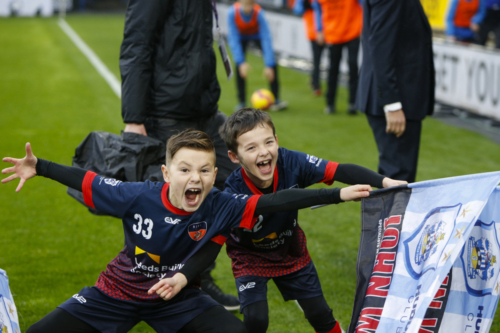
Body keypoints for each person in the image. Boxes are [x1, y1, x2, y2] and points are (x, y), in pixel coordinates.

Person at [2, 130, 372, 333]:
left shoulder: (222, 203)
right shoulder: (138, 197)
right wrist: (41, 167)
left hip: (176, 300)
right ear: (166, 174)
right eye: (185, 169)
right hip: (117, 291)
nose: (195, 178)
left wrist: (338, 194)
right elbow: (89, 180)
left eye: (205, 170)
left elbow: (278, 202)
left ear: (215, 174)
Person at [152, 109, 406, 333]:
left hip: (291, 251)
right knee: (256, 321)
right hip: (249, 258)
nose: (263, 152)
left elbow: (340, 170)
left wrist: (384, 182)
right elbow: (214, 244)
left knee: (320, 314)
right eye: (251, 148)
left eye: (268, 142)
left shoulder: (291, 161)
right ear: (234, 157)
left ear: (277, 142)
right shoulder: (232, 193)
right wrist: (183, 276)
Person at [119, 0, 239, 309]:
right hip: (167, 113)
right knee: (163, 205)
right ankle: (143, 283)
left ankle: (198, 277)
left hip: (206, 110)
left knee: (229, 180)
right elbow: (137, 44)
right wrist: (134, 119)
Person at [356, 0, 435, 183]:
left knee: (395, 179)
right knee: (397, 180)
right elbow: (381, 46)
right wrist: (391, 105)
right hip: (396, 101)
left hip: (399, 98)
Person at [227, 0, 288, 111]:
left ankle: (276, 99)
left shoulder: (259, 12)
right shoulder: (232, 12)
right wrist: (241, 62)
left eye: (251, 4)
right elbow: (233, 38)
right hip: (241, 38)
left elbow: (266, 38)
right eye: (246, 4)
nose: (248, 7)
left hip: (257, 36)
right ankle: (241, 102)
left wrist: (269, 64)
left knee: (273, 63)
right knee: (239, 67)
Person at [312, 0, 362, 115]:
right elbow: (317, 9)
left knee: (353, 66)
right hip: (333, 33)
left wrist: (363, 25)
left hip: (352, 30)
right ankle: (330, 104)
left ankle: (353, 103)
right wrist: (319, 30)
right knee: (333, 69)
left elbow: (364, 5)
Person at [293, 0, 325, 96]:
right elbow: (297, 9)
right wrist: (305, 5)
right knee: (317, 59)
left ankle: (315, 81)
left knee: (325, 59)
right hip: (313, 32)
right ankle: (316, 85)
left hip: (328, 30)